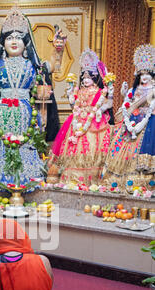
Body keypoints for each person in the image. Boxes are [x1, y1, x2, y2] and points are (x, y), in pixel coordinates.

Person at [0, 6, 66, 190]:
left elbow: (53, 65)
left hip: (25, 112)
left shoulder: (33, 65)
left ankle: (25, 180)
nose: (14, 42)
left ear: (25, 43)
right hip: (1, 112)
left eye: (18, 38)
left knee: (24, 145)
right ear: (3, 43)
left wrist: (58, 49)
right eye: (10, 38)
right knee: (0, 146)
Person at [48, 48, 114, 186]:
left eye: (89, 77)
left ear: (95, 77)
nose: (85, 80)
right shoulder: (79, 90)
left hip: (94, 123)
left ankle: (92, 180)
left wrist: (100, 108)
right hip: (77, 121)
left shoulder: (101, 91)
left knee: (92, 149)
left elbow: (109, 103)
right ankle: (71, 179)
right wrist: (70, 95)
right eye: (83, 77)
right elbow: (74, 108)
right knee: (72, 149)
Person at [101, 44, 155, 191]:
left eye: (148, 73)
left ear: (152, 74)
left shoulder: (153, 89)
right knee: (122, 147)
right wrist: (125, 94)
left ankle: (141, 185)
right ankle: (117, 182)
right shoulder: (134, 89)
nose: (144, 77)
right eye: (142, 73)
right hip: (130, 122)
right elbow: (127, 105)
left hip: (148, 123)